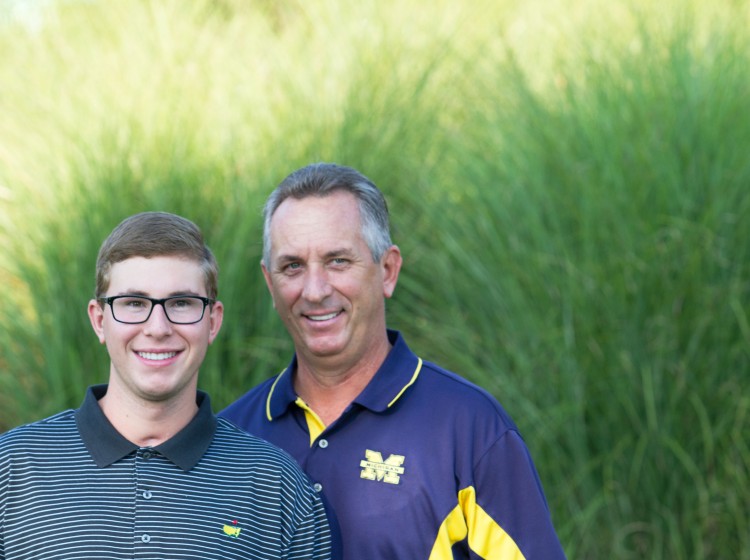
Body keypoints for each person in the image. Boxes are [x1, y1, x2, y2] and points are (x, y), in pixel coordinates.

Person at [220, 163, 567, 559]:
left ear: (387, 270)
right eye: (293, 266)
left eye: (338, 261)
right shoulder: (229, 438)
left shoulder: (470, 431)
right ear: (270, 282)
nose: (314, 291)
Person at [0, 211, 337, 560]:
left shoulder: (275, 485)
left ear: (212, 321)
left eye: (181, 303)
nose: (158, 328)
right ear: (100, 321)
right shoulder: (12, 467)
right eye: (133, 303)